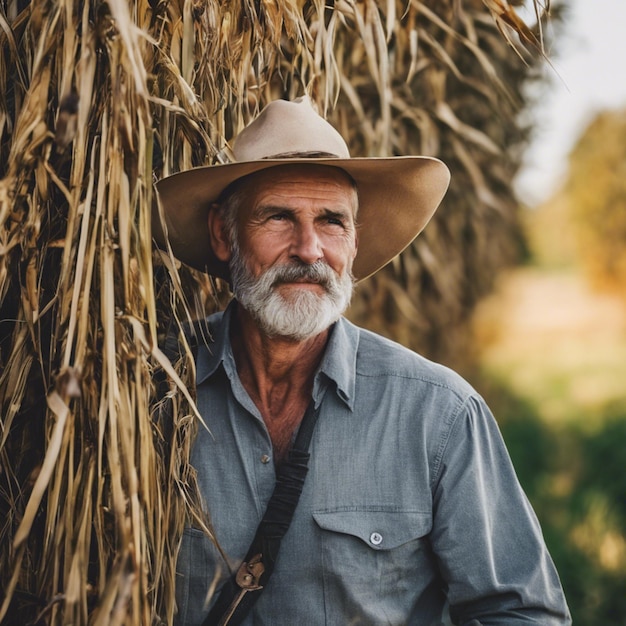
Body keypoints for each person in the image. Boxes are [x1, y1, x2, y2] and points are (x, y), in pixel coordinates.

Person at [154, 97, 571, 626]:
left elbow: (520, 613)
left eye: (332, 222)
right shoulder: (152, 391)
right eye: (279, 217)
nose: (309, 249)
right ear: (222, 233)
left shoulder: (438, 414)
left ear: (352, 243)